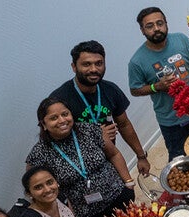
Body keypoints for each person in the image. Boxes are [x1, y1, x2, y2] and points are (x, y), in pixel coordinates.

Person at [26, 96, 131, 217]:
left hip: (118, 197)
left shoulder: (91, 130)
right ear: (43, 124)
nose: (62, 120)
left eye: (65, 114)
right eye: (54, 118)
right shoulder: (38, 155)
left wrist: (128, 183)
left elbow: (114, 154)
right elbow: (35, 191)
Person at [51, 39, 150, 180]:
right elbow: (56, 141)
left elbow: (124, 124)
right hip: (79, 170)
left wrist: (141, 156)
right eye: (86, 64)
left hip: (110, 159)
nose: (93, 69)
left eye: (99, 63)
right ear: (74, 67)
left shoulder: (110, 90)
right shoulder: (59, 100)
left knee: (127, 197)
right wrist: (96, 134)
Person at [127, 6, 189, 156]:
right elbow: (135, 90)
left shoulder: (180, 39)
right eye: (150, 26)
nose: (156, 28)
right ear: (142, 30)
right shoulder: (137, 61)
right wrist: (157, 86)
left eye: (160, 23)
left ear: (166, 24)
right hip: (172, 122)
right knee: (184, 162)